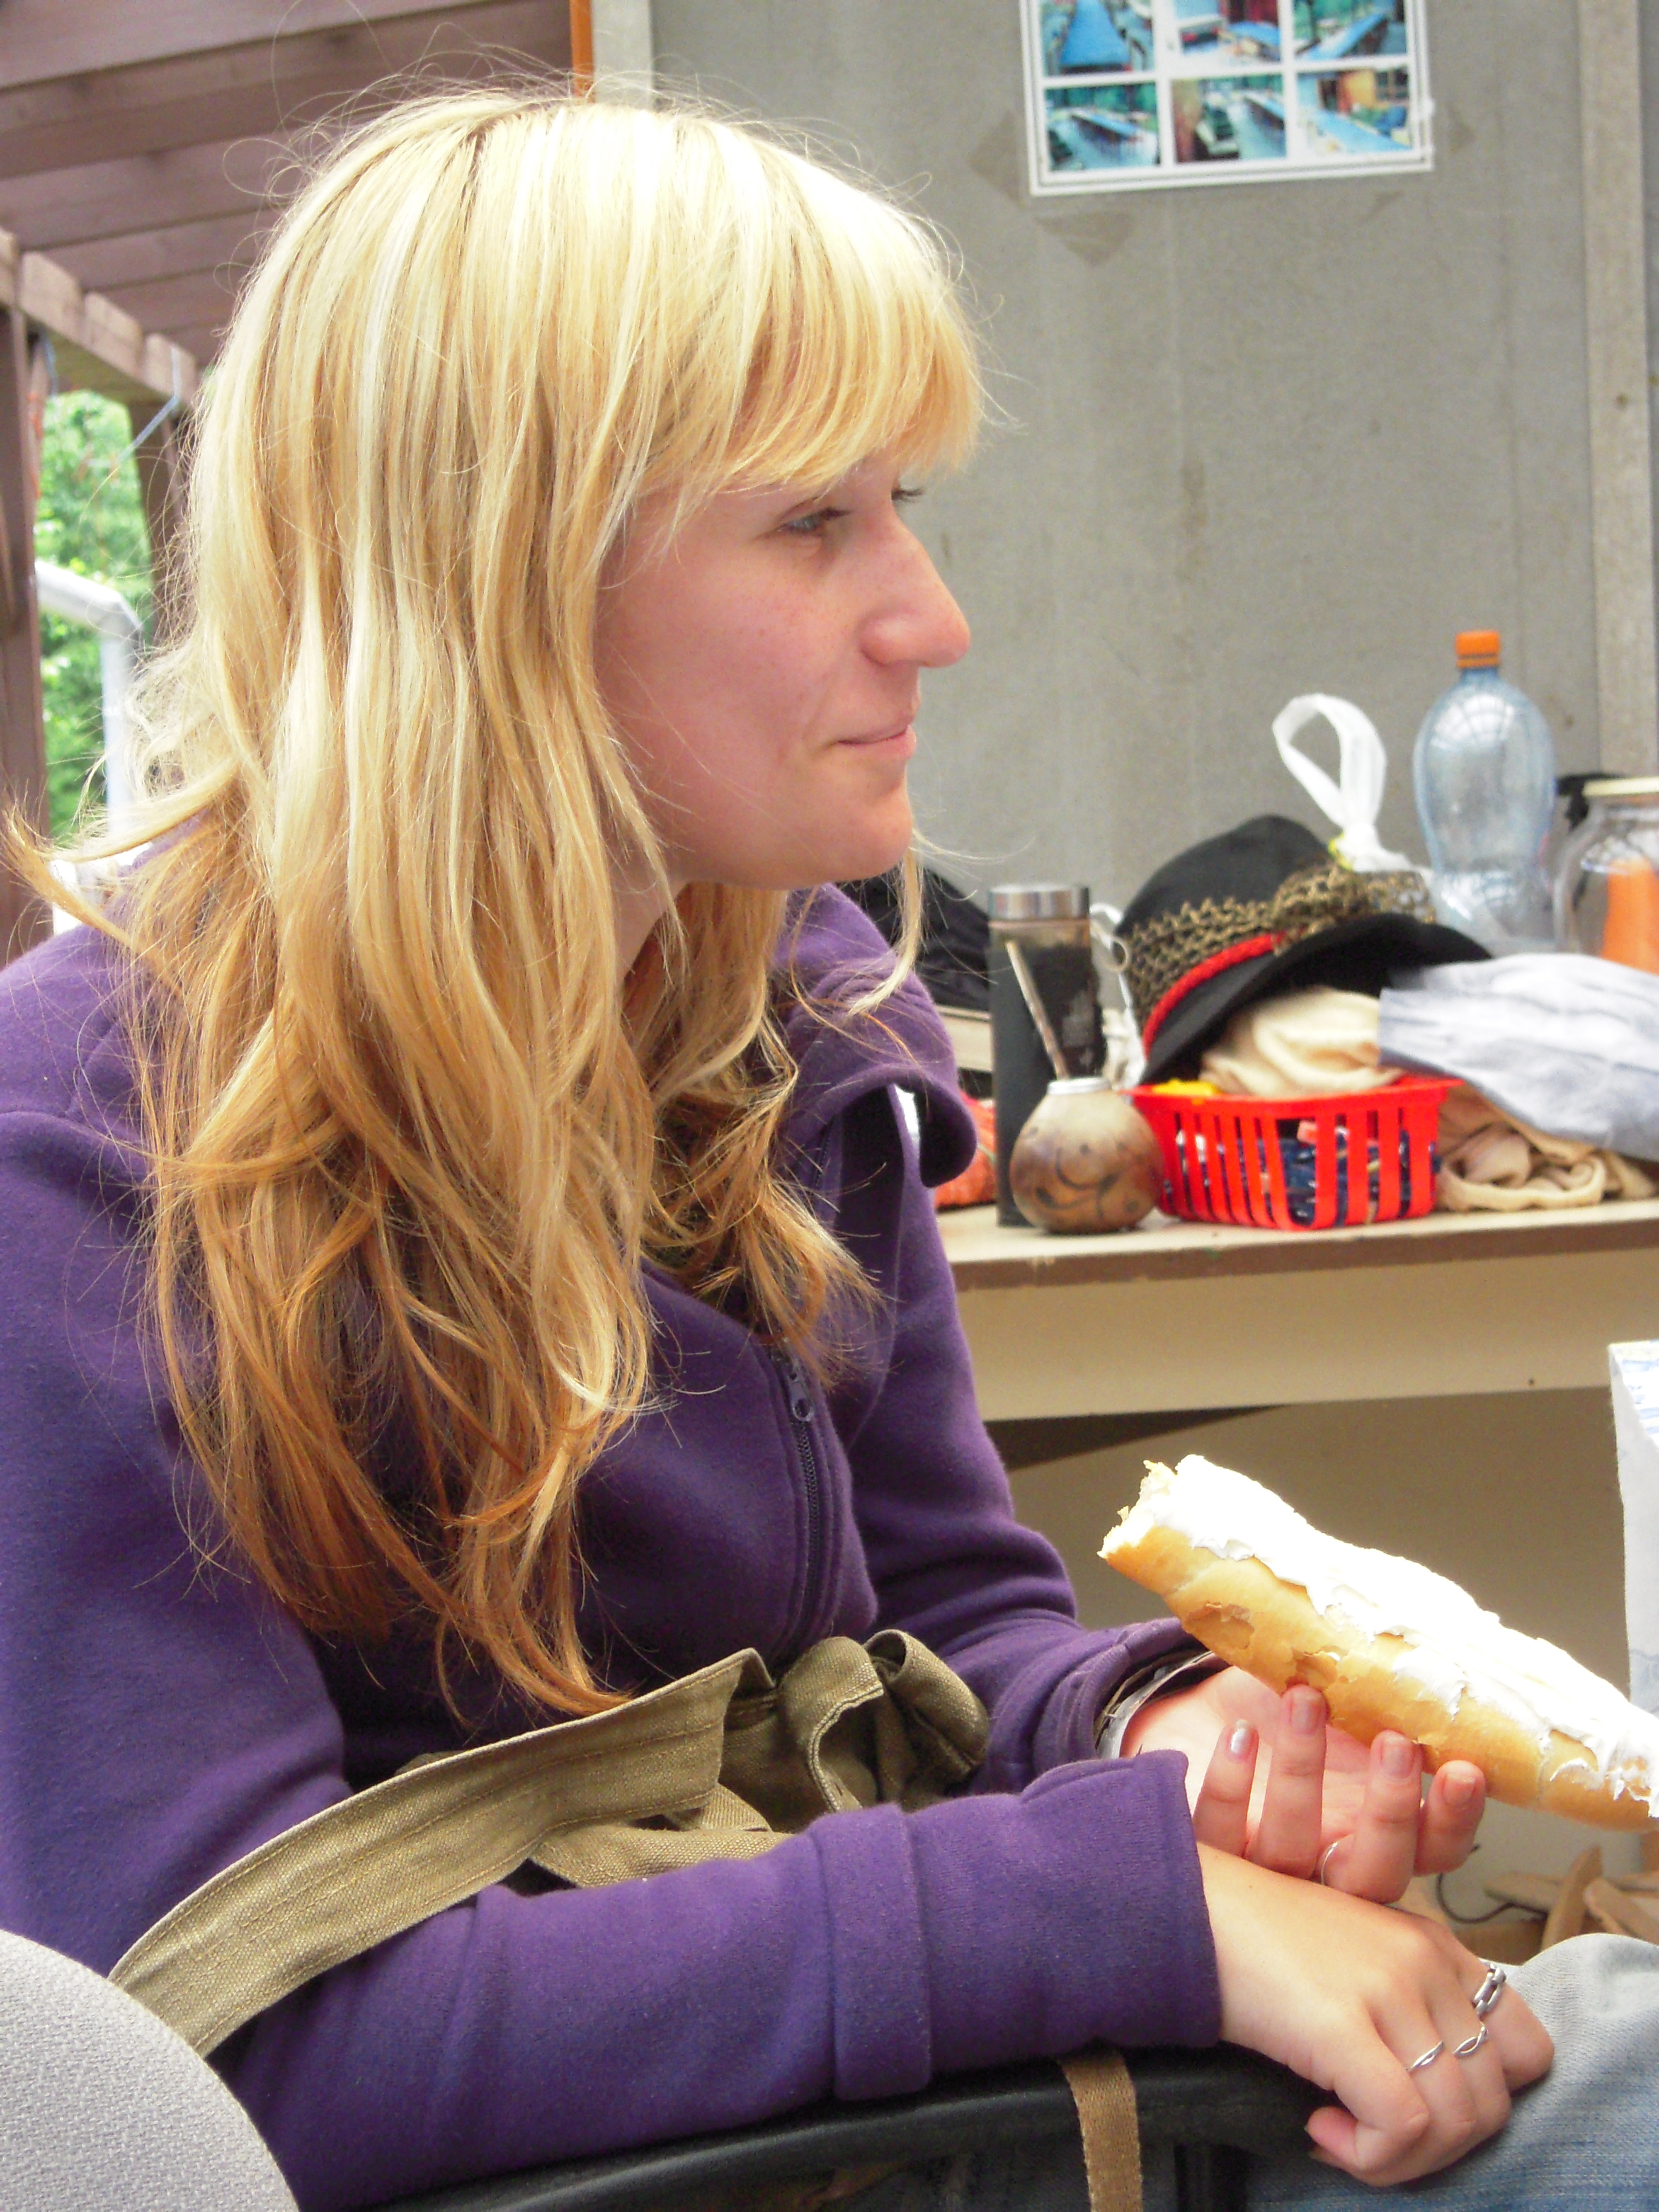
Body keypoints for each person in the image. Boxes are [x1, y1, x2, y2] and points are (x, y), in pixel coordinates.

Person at [0, 89, 1649, 2212]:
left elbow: (941, 1627)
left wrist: (1154, 1744)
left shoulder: (793, 1023)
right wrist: (1126, 1915)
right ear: (497, 583)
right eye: (811, 523)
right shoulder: (87, 1162)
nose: (931, 615)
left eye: (906, 504)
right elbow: (227, 2066)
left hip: (942, 2097)